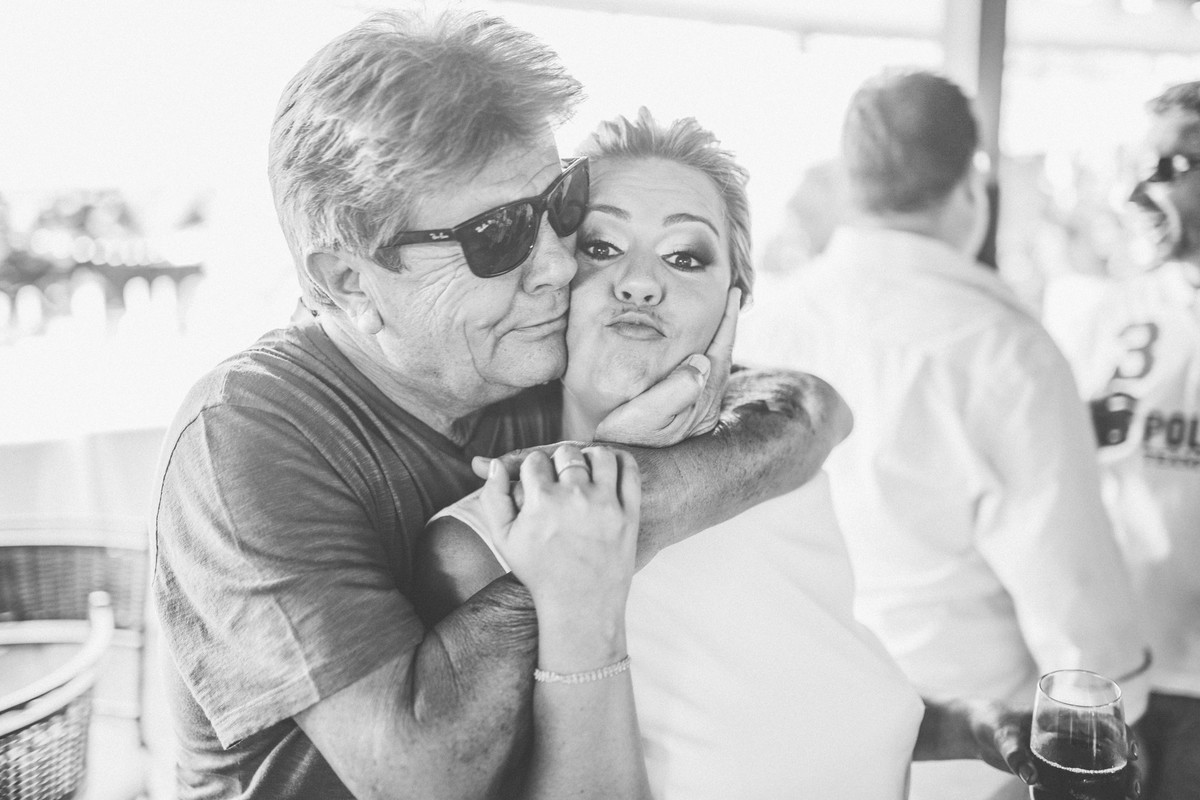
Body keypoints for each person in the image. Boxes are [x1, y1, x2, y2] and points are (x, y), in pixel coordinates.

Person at [151, 10, 850, 799]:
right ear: (350, 282)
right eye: (498, 235)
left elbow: (805, 408)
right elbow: (421, 775)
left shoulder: (526, 354)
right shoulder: (248, 434)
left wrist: (614, 491)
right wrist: (601, 518)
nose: (558, 264)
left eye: (559, 203)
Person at [418, 108, 1050, 800]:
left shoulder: (776, 471)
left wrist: (966, 723)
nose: (640, 282)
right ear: (549, 280)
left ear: (733, 305)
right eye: (601, 246)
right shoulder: (485, 545)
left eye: (685, 256)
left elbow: (796, 709)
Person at [737, 69, 1151, 800]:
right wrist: (1116, 717)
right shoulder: (1004, 351)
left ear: (851, 181)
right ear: (973, 183)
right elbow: (1075, 604)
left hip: (787, 736)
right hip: (973, 761)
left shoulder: (764, 325)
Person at [1043, 80, 1200, 800]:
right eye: (1139, 166)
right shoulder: (1105, 315)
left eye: (1170, 168)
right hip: (1110, 678)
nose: (1138, 191)